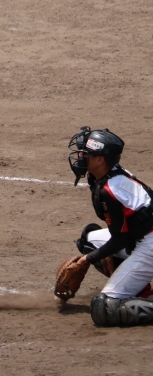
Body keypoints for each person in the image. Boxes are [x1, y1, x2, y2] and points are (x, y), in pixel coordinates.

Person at [68, 126, 153, 326]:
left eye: (86, 153)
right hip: (140, 237)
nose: (80, 156)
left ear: (100, 160)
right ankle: (141, 291)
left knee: (104, 308)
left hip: (149, 245)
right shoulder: (106, 174)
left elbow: (120, 239)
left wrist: (87, 260)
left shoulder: (110, 190)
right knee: (90, 241)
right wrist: (99, 253)